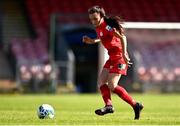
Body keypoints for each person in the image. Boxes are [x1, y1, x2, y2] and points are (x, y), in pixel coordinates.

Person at [82, 5, 143, 120]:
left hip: (119, 57)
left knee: (112, 85)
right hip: (111, 58)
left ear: (101, 16)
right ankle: (109, 106)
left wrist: (124, 53)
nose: (93, 21)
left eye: (95, 18)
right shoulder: (99, 26)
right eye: (91, 19)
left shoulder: (108, 26)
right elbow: (104, 37)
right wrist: (93, 41)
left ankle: (135, 105)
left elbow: (122, 38)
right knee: (100, 82)